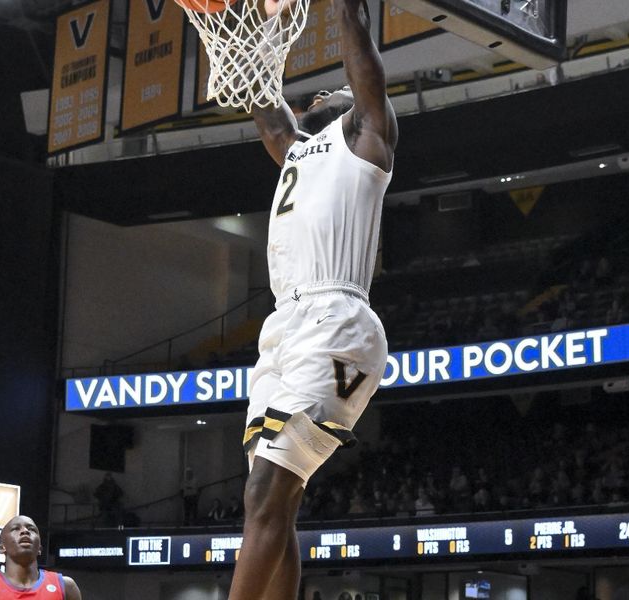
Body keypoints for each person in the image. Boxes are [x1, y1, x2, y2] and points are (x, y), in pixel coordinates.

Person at [227, 0, 396, 595]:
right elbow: (273, 121)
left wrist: (346, 8)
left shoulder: (369, 139)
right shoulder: (299, 151)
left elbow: (361, 57)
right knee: (279, 498)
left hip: (337, 320)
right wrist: (244, 31)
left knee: (264, 492)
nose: (316, 99)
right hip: (286, 326)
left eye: (329, 93)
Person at [0, 515, 81, 600]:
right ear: (2, 547)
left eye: (31, 529)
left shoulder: (65, 586)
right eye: (15, 529)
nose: (25, 531)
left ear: (40, 548)